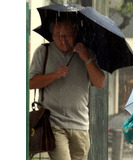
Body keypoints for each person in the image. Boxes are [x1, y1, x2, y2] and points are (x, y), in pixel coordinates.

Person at [29, 18, 105, 160]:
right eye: (58, 35)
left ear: (75, 34)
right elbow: (30, 83)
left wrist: (86, 59)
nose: (62, 40)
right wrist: (54, 75)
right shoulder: (43, 52)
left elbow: (100, 83)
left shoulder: (87, 53)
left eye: (67, 35)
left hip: (81, 125)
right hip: (53, 123)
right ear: (52, 35)